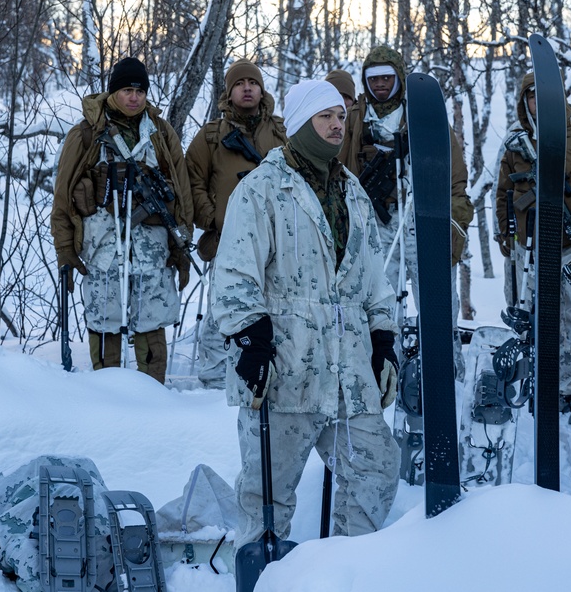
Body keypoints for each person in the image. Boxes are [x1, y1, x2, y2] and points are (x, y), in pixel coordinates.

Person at [212, 79, 399, 546]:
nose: (338, 125)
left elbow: (375, 277)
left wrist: (383, 341)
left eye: (341, 116)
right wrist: (250, 340)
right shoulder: (262, 189)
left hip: (350, 372)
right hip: (283, 371)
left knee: (376, 469)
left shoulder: (353, 191)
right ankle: (261, 576)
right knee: (267, 499)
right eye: (326, 117)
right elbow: (235, 272)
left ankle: (348, 570)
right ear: (300, 125)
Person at [51, 57, 192, 382]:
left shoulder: (160, 133)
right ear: (113, 91)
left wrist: (181, 247)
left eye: (140, 91)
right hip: (103, 251)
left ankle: (153, 395)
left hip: (152, 253)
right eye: (127, 90)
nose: (134, 97)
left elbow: (182, 193)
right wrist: (65, 251)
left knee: (152, 319)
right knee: (104, 318)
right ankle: (107, 398)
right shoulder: (87, 134)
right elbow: (63, 198)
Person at [339, 45, 473, 373]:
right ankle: (386, 373)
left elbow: (454, 178)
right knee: (380, 303)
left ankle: (445, 375)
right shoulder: (355, 117)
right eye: (374, 79)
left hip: (422, 217)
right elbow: (339, 171)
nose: (381, 84)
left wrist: (454, 224)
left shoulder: (423, 113)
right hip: (374, 223)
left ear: (399, 78)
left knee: (438, 303)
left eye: (387, 77)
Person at [495, 71, 571, 415]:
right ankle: (560, 388)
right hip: (533, 249)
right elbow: (503, 194)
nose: (537, 103)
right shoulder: (515, 143)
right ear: (524, 102)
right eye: (531, 97)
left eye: (542, 96)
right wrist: (508, 236)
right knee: (546, 322)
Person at [185, 59, 287, 388]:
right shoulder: (212, 136)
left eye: (253, 83)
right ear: (229, 92)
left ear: (261, 89)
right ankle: (214, 374)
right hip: (229, 238)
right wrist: (214, 216)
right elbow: (191, 183)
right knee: (223, 306)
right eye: (240, 83)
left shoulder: (282, 131)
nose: (247, 88)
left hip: (276, 238)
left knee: (275, 306)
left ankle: (271, 368)